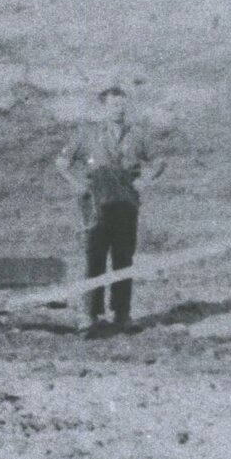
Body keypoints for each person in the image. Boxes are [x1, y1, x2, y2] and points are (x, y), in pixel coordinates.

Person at [54, 85, 164, 333]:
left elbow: (159, 160)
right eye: (113, 104)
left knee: (124, 258)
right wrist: (78, 185)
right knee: (95, 258)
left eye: (122, 103)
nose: (119, 108)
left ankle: (122, 314)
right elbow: (61, 162)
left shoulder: (137, 134)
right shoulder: (87, 134)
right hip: (97, 206)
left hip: (127, 204)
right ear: (103, 107)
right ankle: (89, 315)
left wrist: (146, 180)